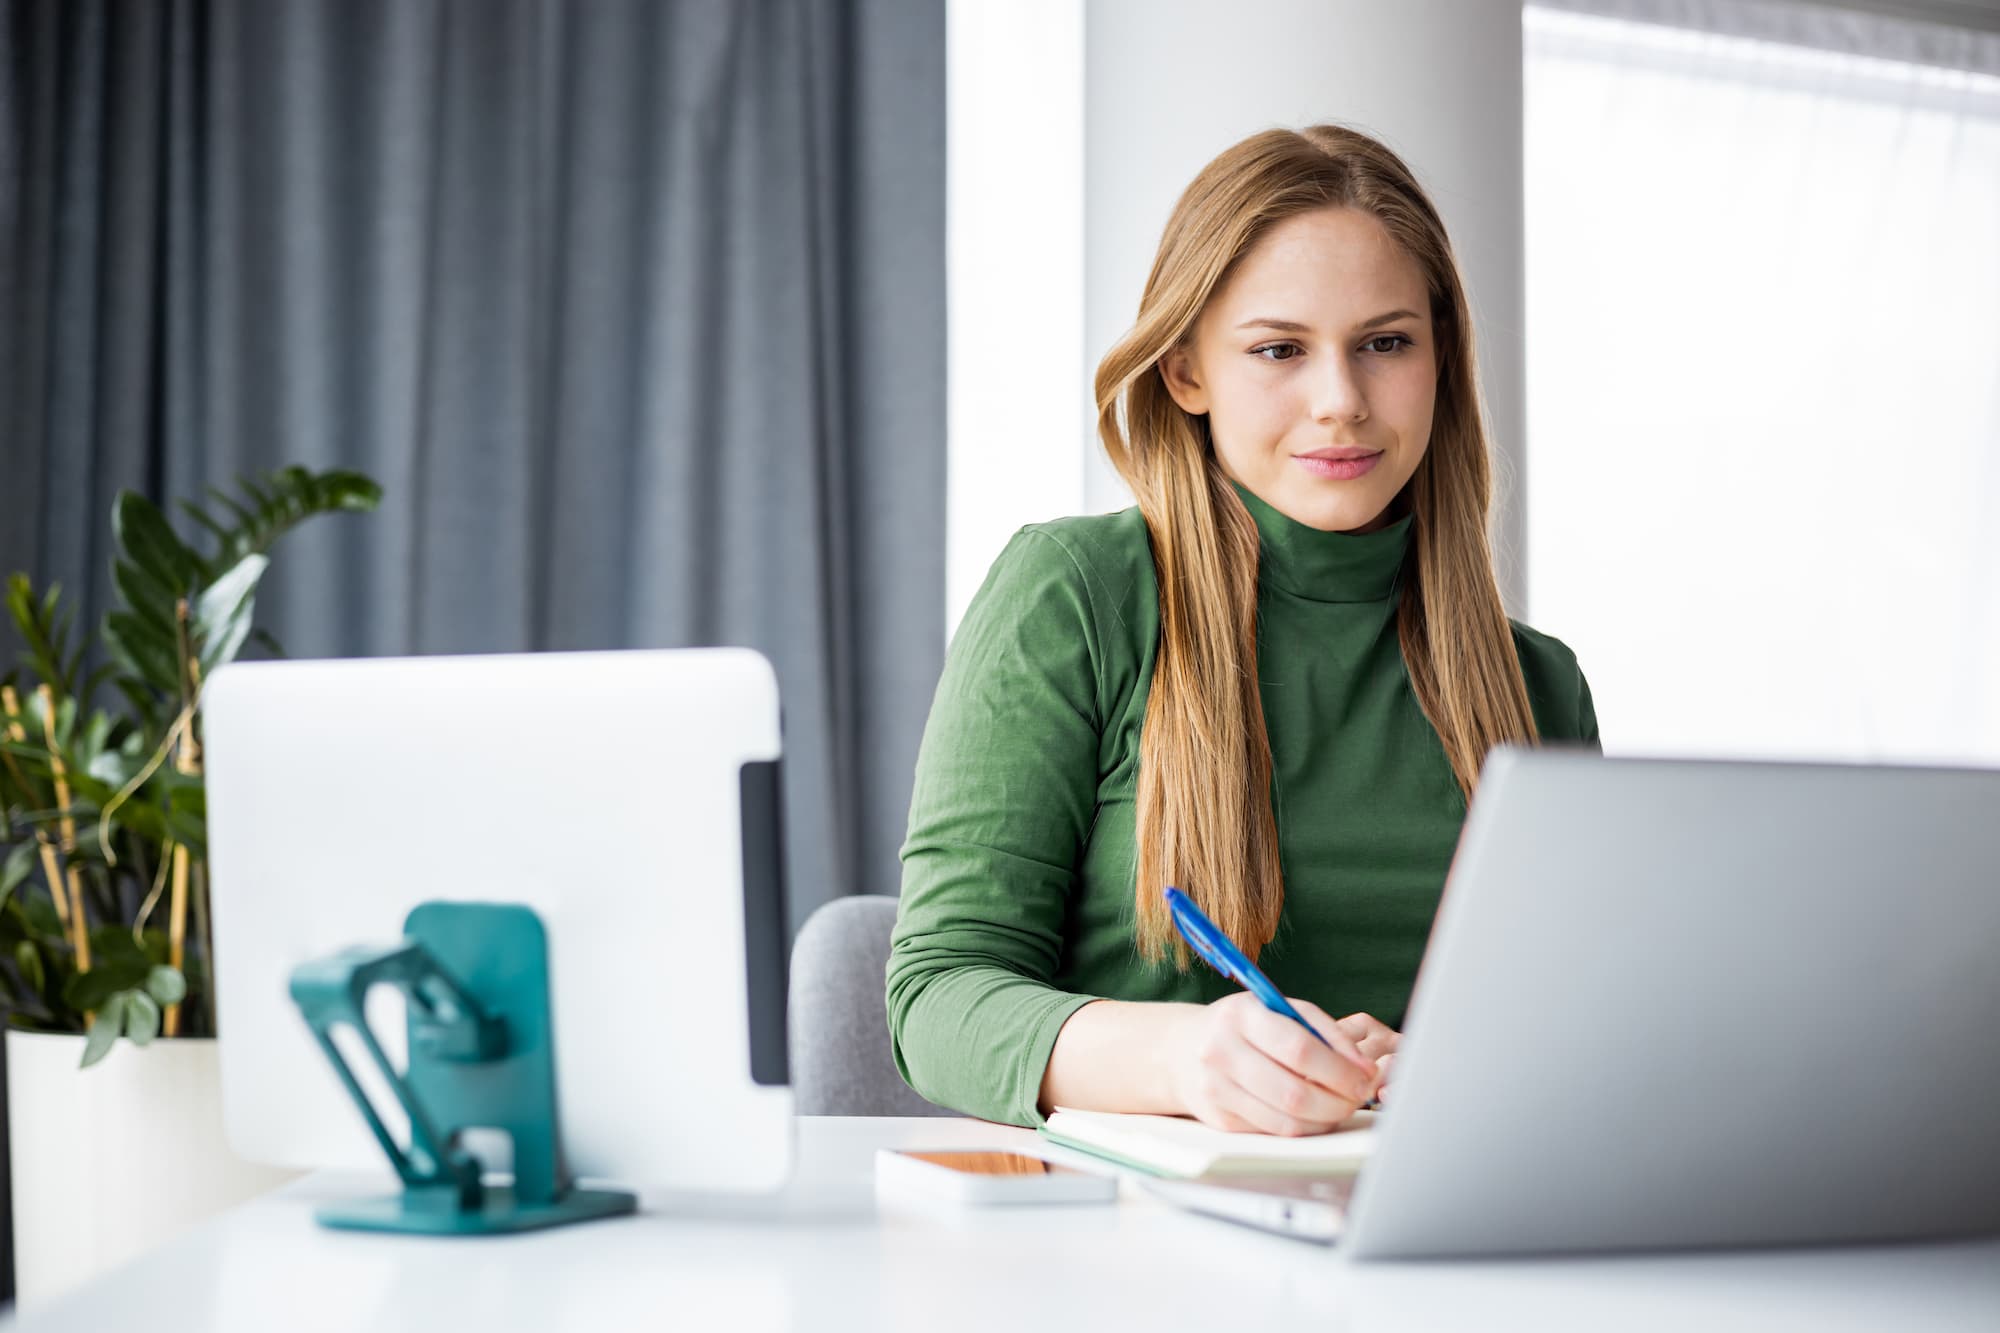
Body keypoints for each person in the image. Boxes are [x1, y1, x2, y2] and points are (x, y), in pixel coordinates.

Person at [887, 124, 1598, 1134]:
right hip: (1124, 1251)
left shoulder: (1540, 685)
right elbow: (936, 998)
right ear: (1184, 373)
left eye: (1385, 343)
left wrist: (1447, 1061)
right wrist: (1180, 1058)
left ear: (1439, 357)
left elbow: (1577, 1032)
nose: (1340, 402)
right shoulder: (1077, 595)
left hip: (1438, 1229)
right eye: (1278, 350)